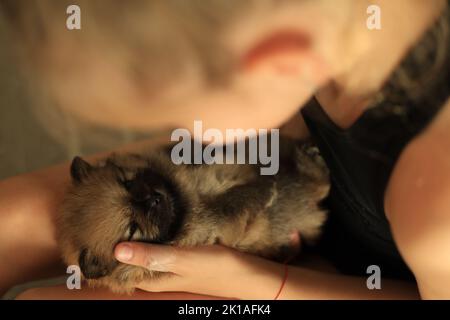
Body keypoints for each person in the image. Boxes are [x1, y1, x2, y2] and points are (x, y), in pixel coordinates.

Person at [0, 0, 448, 299]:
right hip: (307, 187)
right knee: (16, 219)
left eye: (177, 116)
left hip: (368, 277)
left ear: (277, 63)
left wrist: (259, 286)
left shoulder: (434, 217)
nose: (183, 135)